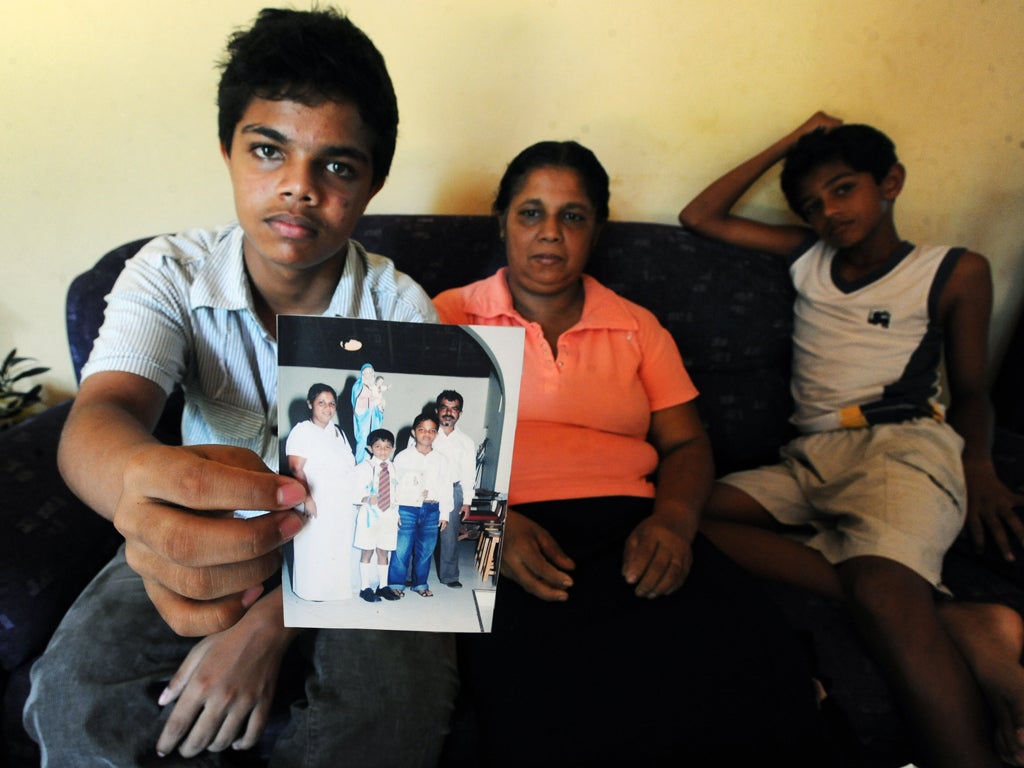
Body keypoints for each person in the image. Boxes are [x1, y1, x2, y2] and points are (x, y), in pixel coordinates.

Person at [23, 8, 457, 766]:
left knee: (388, 717)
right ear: (227, 150)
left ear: (372, 184)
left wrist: (265, 626)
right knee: (72, 693)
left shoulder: (400, 309)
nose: (298, 189)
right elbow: (104, 413)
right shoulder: (168, 273)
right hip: (202, 528)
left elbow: (416, 507)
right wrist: (133, 479)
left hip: (362, 545)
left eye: (338, 166)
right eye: (268, 150)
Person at [432, 140, 834, 766]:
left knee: (760, 670)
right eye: (530, 213)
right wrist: (488, 532)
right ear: (502, 221)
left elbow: (686, 441)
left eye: (573, 216)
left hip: (633, 525)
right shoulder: (448, 316)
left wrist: (674, 521)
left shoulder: (635, 325)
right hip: (510, 532)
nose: (550, 234)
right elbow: (421, 454)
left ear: (597, 229)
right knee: (555, 710)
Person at [678, 112, 1024, 768]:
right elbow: (700, 215)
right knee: (681, 520)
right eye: (813, 204)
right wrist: (791, 138)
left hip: (901, 446)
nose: (830, 212)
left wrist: (979, 466)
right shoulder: (808, 256)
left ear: (889, 181)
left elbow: (975, 392)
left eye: (843, 189)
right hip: (808, 456)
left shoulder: (952, 270)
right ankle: (960, 619)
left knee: (882, 588)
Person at [285, 383, 358, 601]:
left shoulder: (339, 432)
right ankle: (312, 591)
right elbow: (296, 468)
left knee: (337, 544)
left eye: (331, 403)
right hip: (316, 497)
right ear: (310, 404)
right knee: (315, 545)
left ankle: (335, 590)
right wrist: (307, 499)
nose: (327, 408)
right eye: (321, 403)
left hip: (341, 499)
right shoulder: (302, 430)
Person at [388, 412, 453, 598]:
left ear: (437, 433)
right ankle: (396, 583)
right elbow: (395, 486)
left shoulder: (441, 460)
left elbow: (446, 487)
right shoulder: (402, 457)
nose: (427, 434)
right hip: (406, 509)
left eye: (432, 430)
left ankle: (420, 584)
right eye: (422, 430)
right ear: (413, 432)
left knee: (426, 550)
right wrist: (395, 511)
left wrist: (444, 514)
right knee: (402, 549)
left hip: (432, 509)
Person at [430, 390, 477, 588]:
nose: (449, 412)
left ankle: (449, 576)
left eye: (454, 408)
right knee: (420, 532)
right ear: (437, 410)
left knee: (449, 536)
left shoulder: (466, 442)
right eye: (444, 407)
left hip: (454, 490)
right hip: (428, 490)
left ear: (460, 413)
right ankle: (409, 575)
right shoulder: (425, 433)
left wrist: (467, 501)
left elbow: (468, 473)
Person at [352, 428, 403, 602]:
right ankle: (365, 587)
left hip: (387, 516)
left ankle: (383, 586)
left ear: (393, 449)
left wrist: (397, 515)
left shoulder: (393, 469)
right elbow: (353, 492)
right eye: (378, 446)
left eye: (387, 447)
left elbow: (396, 494)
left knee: (384, 551)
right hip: (369, 516)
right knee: (367, 551)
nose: (383, 451)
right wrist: (366, 498)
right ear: (369, 448)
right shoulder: (362, 469)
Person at [351, 363, 382, 463]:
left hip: (373, 419)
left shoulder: (375, 386)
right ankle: (360, 462)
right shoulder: (358, 386)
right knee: (363, 440)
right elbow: (357, 403)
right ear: (362, 373)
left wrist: (380, 407)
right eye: (366, 372)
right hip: (363, 419)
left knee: (375, 440)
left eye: (370, 372)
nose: (368, 375)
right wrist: (371, 401)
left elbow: (378, 404)